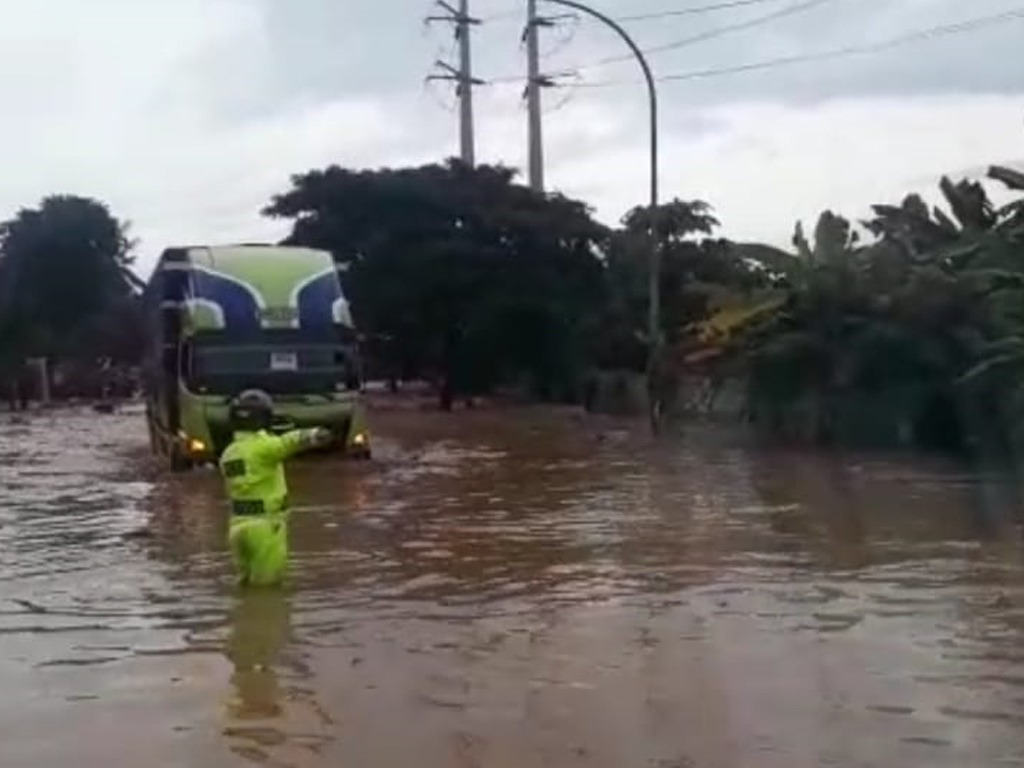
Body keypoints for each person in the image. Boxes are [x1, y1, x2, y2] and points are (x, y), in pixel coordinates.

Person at [220, 389, 331, 587]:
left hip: (237, 529)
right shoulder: (264, 447)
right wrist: (315, 435)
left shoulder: (228, 454)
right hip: (265, 527)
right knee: (268, 592)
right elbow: (288, 442)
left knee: (245, 586)